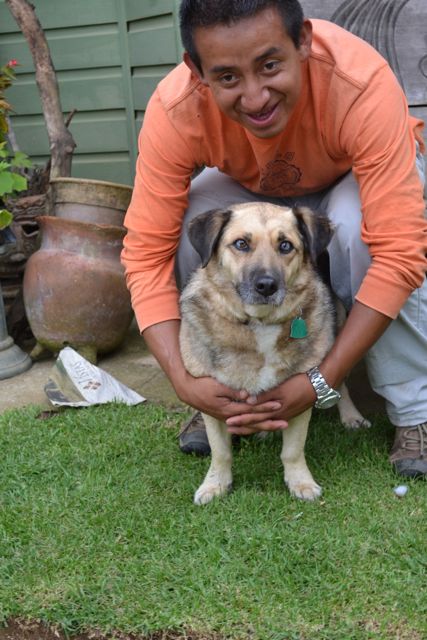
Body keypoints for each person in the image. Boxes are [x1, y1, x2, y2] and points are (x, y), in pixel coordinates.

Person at [121, 0, 427, 478]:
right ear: (197, 72)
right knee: (192, 225)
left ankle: (415, 411)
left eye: (269, 66)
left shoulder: (360, 81)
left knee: (358, 227)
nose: (255, 97)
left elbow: (400, 254)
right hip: (252, 187)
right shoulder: (175, 108)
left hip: (351, 176)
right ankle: (219, 391)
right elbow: (145, 255)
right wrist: (183, 379)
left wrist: (322, 380)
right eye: (227, 77)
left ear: (302, 41)